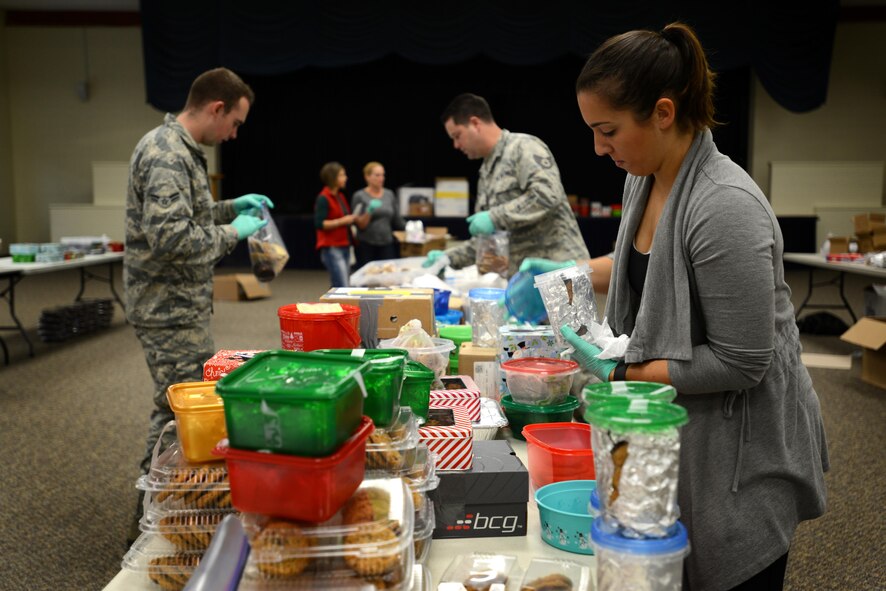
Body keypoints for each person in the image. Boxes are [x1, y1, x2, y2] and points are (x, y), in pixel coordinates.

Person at [523, 23, 829, 591]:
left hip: (740, 452)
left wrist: (620, 369)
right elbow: (655, 264)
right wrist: (572, 275)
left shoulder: (723, 206)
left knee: (729, 567)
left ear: (663, 112)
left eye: (608, 130)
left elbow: (742, 363)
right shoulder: (647, 178)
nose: (598, 148)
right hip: (685, 426)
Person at [125, 68, 272, 537]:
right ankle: (150, 521)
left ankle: (162, 509)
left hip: (179, 305)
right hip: (167, 308)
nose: (234, 133)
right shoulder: (166, 152)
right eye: (236, 122)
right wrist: (234, 234)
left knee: (177, 405)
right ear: (216, 108)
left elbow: (190, 213)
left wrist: (230, 208)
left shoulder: (179, 150)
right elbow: (170, 237)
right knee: (175, 410)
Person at [423, 93, 589, 276]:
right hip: (525, 281)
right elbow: (487, 240)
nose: (455, 145)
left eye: (457, 136)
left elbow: (547, 194)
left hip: (559, 274)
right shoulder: (486, 172)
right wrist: (448, 258)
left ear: (475, 123)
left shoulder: (523, 147)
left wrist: (495, 217)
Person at [314, 161, 367, 287]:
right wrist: (342, 221)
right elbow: (319, 224)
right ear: (333, 178)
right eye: (342, 175)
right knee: (342, 285)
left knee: (341, 284)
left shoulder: (340, 196)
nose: (345, 178)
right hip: (332, 247)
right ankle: (337, 306)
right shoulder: (323, 198)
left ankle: (335, 306)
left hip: (344, 244)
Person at [351, 161, 405, 267]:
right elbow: (359, 225)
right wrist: (369, 211)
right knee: (367, 277)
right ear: (367, 177)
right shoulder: (359, 196)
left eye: (383, 175)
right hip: (366, 244)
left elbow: (397, 220)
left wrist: (411, 228)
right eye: (377, 175)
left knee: (387, 277)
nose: (381, 178)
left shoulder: (389, 194)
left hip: (387, 243)